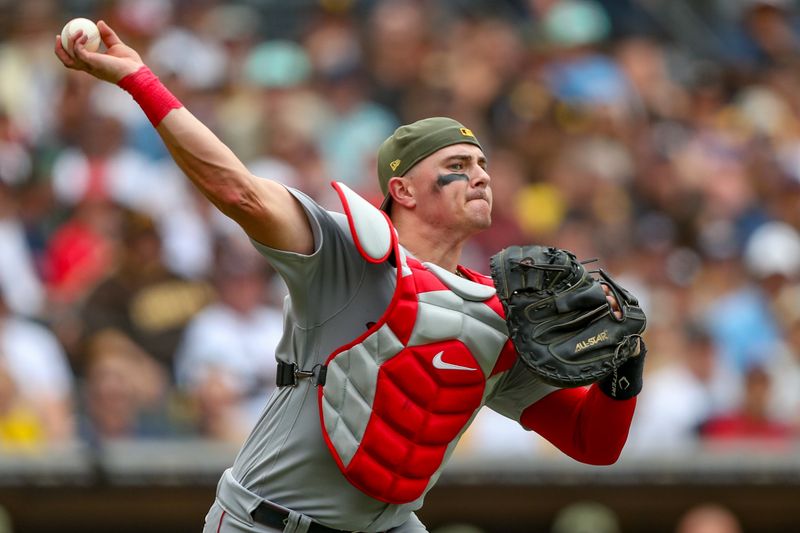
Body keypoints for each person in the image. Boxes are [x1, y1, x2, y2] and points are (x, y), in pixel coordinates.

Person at [55, 21, 646, 533]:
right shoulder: (350, 251)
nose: (481, 176)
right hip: (268, 520)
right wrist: (139, 79)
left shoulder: (501, 316)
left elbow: (592, 444)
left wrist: (622, 377)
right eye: (457, 166)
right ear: (402, 190)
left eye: (484, 165)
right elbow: (235, 188)